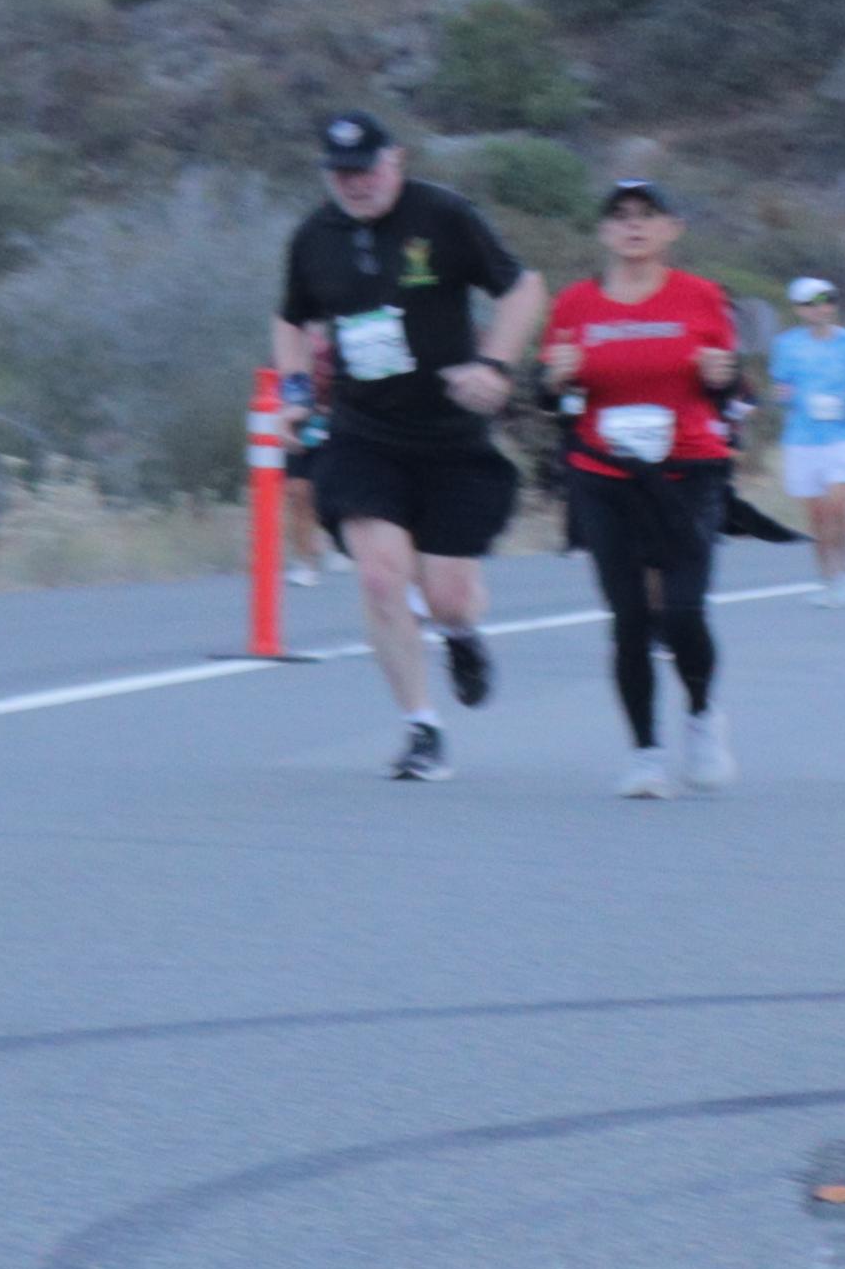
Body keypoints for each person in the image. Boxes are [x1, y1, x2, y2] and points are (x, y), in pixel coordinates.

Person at [276, 111, 536, 780]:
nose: (355, 184)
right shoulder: (314, 236)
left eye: (365, 169)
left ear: (395, 160)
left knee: (449, 596)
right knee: (380, 576)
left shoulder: (443, 216)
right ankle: (421, 726)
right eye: (341, 173)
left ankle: (460, 634)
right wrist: (295, 390)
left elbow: (523, 290)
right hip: (364, 434)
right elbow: (292, 318)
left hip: (451, 436)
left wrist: (496, 366)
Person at [545, 177, 746, 798]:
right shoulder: (575, 304)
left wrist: (723, 376)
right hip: (605, 475)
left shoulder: (701, 297)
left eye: (647, 214)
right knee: (630, 616)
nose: (633, 225)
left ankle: (702, 716)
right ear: (605, 231)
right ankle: (645, 754)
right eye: (621, 215)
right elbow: (553, 396)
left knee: (682, 611)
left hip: (688, 472)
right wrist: (554, 380)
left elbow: (731, 392)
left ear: (670, 229)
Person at [774, 278, 845, 600]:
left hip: (842, 437)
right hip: (802, 439)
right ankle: (830, 580)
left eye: (826, 300)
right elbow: (781, 391)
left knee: (840, 507)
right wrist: (787, 397)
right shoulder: (787, 345)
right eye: (810, 303)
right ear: (799, 309)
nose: (820, 308)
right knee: (818, 516)